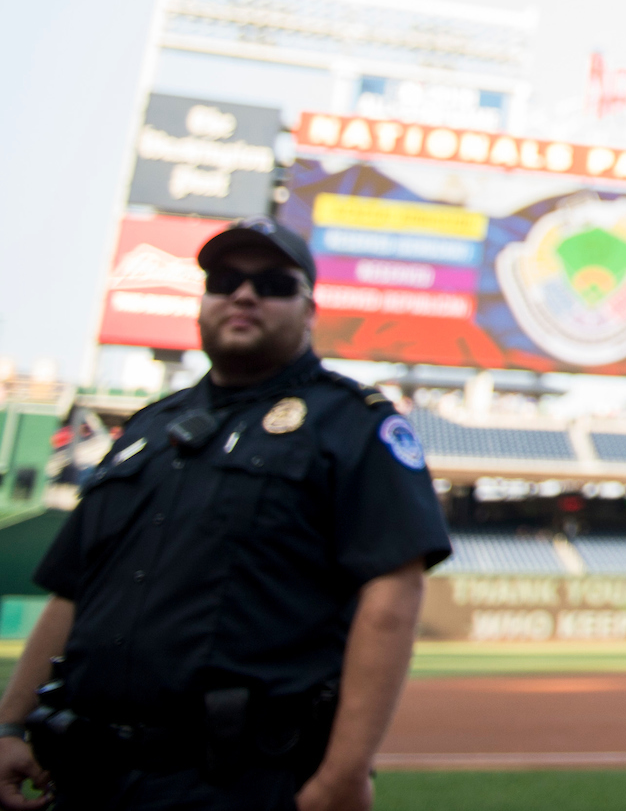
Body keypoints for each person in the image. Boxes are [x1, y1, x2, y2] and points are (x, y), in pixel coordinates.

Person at [0, 219, 451, 810]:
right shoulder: (146, 428)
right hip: (83, 772)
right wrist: (11, 725)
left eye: (272, 283)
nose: (244, 294)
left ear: (309, 309)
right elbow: (73, 593)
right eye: (225, 280)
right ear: (204, 300)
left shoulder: (353, 424)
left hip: (232, 780)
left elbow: (392, 595)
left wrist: (346, 770)